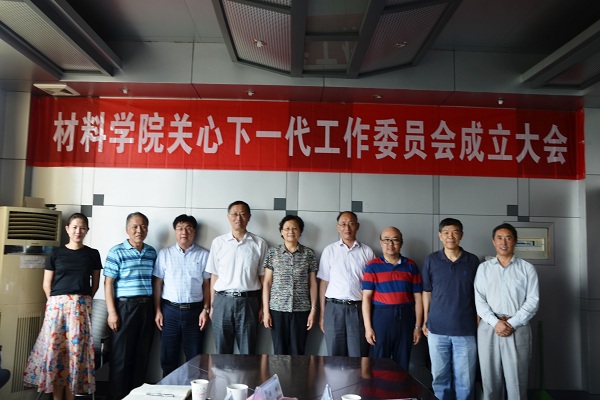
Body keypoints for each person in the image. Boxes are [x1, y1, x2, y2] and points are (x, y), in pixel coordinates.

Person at [23, 213, 102, 400]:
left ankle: (71, 396)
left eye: (82, 228)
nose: (78, 231)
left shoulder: (92, 254)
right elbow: (46, 284)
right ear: (67, 229)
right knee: (56, 352)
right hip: (57, 307)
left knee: (75, 353)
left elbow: (95, 284)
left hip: (81, 308)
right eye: (74, 227)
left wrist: (81, 302)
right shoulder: (55, 253)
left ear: (87, 230)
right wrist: (55, 304)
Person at [474, 223, 540, 400]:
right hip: (489, 327)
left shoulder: (527, 268)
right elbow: (479, 300)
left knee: (517, 381)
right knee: (489, 381)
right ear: (493, 241)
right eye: (500, 238)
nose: (504, 242)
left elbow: (533, 301)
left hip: (517, 327)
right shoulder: (484, 268)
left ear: (515, 241)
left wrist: (511, 323)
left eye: (508, 238)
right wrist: (496, 323)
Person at [422, 218, 480, 400]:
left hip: (465, 330)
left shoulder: (472, 261)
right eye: (446, 232)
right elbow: (426, 292)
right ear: (440, 236)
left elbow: (479, 294)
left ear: (461, 235)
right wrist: (425, 320)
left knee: (465, 380)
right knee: (440, 378)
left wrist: (478, 320)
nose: (450, 236)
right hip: (437, 330)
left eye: (455, 232)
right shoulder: (432, 260)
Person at [104, 212, 157, 400]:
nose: (139, 230)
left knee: (142, 356)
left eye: (143, 226)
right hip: (124, 308)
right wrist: (112, 312)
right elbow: (108, 283)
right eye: (135, 226)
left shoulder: (151, 252)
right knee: (121, 358)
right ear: (127, 229)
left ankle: (136, 397)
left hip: (147, 308)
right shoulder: (116, 251)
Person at [206, 200, 268, 354]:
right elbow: (214, 275)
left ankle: (246, 373)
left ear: (249, 217)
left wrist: (262, 306)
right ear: (228, 217)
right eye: (234, 214)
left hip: (249, 302)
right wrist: (213, 305)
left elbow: (263, 278)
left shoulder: (259, 243)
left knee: (248, 352)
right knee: (222, 352)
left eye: (242, 214)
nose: (238, 218)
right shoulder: (218, 243)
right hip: (222, 302)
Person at [153, 214, 210, 376]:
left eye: (188, 228)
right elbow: (157, 284)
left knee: (195, 359)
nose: (184, 232)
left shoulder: (204, 255)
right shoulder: (164, 254)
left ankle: (192, 390)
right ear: (175, 231)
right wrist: (157, 311)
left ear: (194, 232)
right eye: (180, 228)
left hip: (195, 313)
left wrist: (205, 309)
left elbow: (207, 285)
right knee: (168, 358)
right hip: (169, 312)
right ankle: (169, 389)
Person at [362, 226, 423, 370]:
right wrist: (368, 328)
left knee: (402, 362)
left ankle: (401, 386)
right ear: (381, 243)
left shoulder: (411, 266)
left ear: (401, 243)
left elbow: (418, 298)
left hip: (406, 317)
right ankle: (380, 386)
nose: (390, 244)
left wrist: (418, 327)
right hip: (381, 317)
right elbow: (366, 299)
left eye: (395, 240)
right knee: (380, 362)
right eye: (386, 240)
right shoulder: (372, 266)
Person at [318, 211, 375, 357]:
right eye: (343, 224)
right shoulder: (329, 250)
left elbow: (371, 286)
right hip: (333, 309)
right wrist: (323, 314)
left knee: (358, 355)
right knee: (335, 355)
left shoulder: (367, 252)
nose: (347, 228)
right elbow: (324, 283)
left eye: (351, 224)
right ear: (338, 227)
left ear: (357, 226)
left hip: (358, 309)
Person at [262, 215, 318, 355]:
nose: (290, 231)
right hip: (277, 309)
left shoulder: (308, 254)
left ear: (300, 231)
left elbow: (313, 284)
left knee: (298, 351)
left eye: (295, 228)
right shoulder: (273, 253)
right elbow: (267, 283)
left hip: (301, 310)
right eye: (287, 228)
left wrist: (313, 310)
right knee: (279, 351)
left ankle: (297, 371)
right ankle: (280, 371)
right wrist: (266, 312)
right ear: (281, 231)